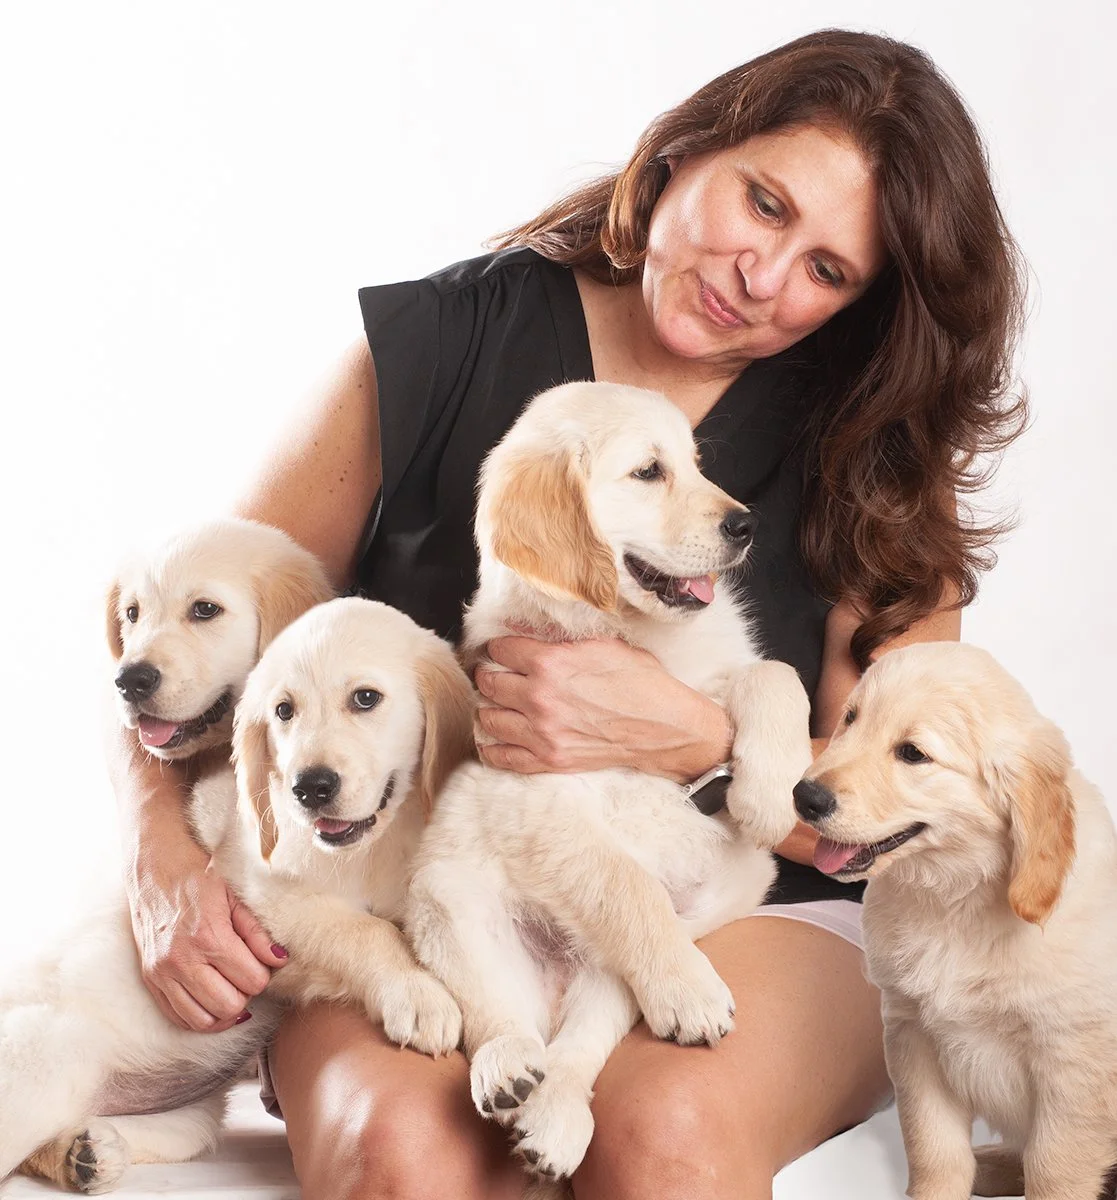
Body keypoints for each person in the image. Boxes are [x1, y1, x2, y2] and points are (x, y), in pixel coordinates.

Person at [109, 28, 1026, 1200]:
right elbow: (192, 633)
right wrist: (160, 854)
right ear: (689, 147)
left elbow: (923, 831)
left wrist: (698, 745)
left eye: (825, 270)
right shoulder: (439, 345)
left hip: (762, 905)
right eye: (761, 203)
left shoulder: (875, 450)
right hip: (437, 896)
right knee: (407, 1147)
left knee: (662, 1132)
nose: (762, 273)